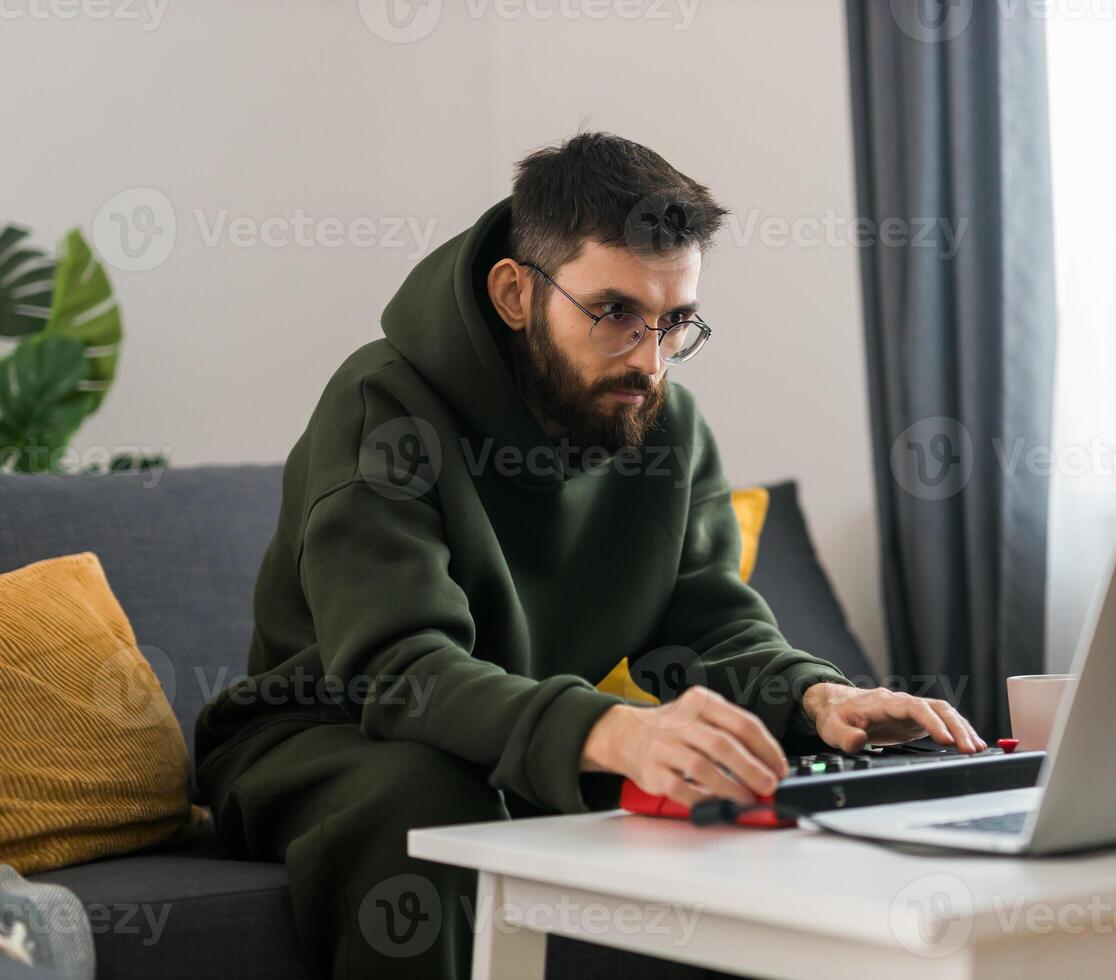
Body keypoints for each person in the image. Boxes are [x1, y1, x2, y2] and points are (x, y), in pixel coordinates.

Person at [194, 131, 984, 980]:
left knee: (754, 775)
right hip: (316, 739)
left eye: (674, 323)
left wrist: (820, 696)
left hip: (504, 737)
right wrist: (610, 731)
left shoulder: (665, 426)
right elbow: (398, 669)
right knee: (429, 795)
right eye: (615, 314)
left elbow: (708, 628)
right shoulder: (382, 408)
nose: (649, 361)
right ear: (512, 292)